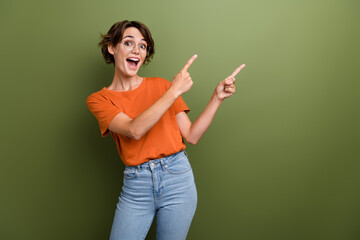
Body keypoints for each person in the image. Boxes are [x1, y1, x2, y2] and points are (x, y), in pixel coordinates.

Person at [86, 20, 245, 240]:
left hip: (177, 178)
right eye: (128, 43)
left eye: (142, 46)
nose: (136, 50)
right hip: (136, 186)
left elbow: (192, 135)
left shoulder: (161, 86)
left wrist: (216, 98)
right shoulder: (100, 99)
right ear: (112, 48)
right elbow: (134, 130)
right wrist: (173, 92)